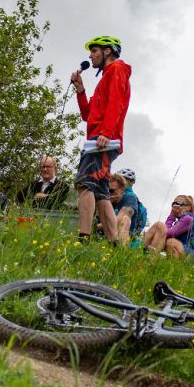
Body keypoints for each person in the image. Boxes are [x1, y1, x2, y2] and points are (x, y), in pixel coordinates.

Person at [71, 35, 131, 241]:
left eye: (95, 50)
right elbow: (88, 115)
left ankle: (83, 237)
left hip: (103, 140)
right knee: (101, 194)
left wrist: (106, 132)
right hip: (99, 138)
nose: (91, 55)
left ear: (108, 51)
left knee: (84, 184)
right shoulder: (106, 76)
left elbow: (117, 102)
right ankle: (114, 243)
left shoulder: (116, 69)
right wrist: (80, 90)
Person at [144, 195, 194, 266]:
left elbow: (166, 233)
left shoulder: (188, 219)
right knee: (169, 242)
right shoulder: (182, 221)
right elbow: (165, 233)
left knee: (161, 228)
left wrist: (172, 215)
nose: (176, 206)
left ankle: (147, 256)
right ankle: (170, 270)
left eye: (179, 203)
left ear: (188, 208)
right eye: (174, 204)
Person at [107, 169, 147, 245]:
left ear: (131, 182)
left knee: (125, 219)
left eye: (124, 179)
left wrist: (102, 224)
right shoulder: (111, 194)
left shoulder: (131, 196)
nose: (122, 182)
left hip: (125, 233)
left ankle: (119, 251)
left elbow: (124, 215)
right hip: (109, 231)